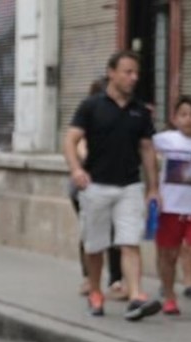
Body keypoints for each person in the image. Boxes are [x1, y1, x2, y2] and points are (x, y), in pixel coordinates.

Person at [64, 50, 162, 321]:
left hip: (130, 186)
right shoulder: (91, 106)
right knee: (95, 246)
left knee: (130, 242)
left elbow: (147, 149)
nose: (134, 78)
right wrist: (76, 169)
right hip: (96, 186)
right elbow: (70, 139)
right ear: (112, 73)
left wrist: (153, 188)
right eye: (128, 72)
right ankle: (96, 293)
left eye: (136, 73)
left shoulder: (140, 111)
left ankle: (136, 296)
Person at [73, 79, 125, 300]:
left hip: (116, 184)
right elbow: (82, 150)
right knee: (91, 230)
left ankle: (116, 280)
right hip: (87, 186)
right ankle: (88, 278)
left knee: (115, 232)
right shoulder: (88, 119)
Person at [151, 94, 191, 315]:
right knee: (168, 256)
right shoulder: (166, 139)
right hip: (170, 209)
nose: (188, 119)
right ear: (175, 118)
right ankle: (170, 296)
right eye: (183, 115)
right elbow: (144, 148)